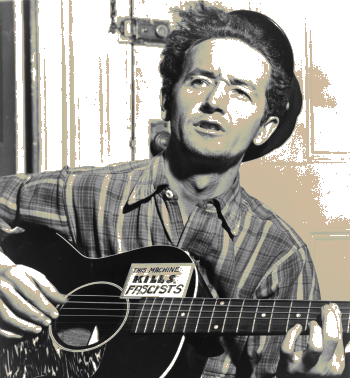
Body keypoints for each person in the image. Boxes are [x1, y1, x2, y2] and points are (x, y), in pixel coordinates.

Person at [0, 2, 346, 377]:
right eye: (200, 80)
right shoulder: (88, 193)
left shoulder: (281, 257)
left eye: (241, 91)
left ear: (265, 128)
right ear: (168, 98)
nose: (214, 102)